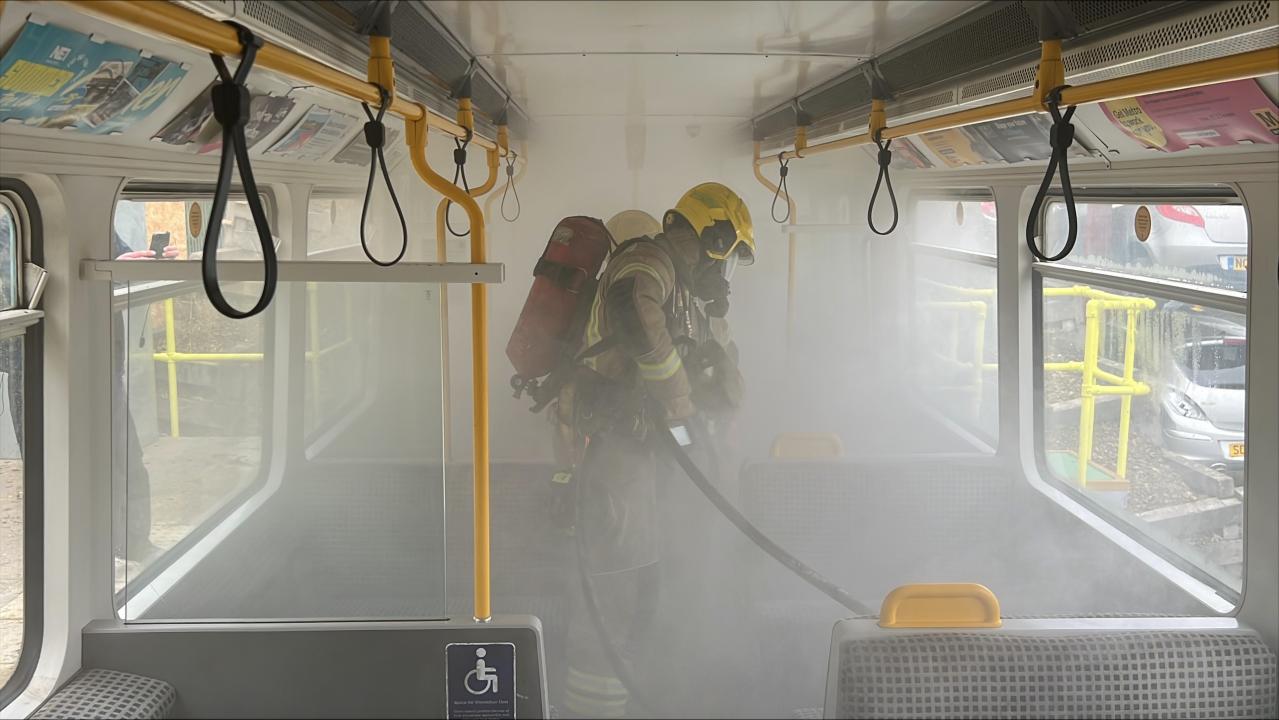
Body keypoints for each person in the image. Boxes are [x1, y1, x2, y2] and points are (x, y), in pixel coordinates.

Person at [557, 183, 752, 718]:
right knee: (617, 591)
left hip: (644, 459)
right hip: (619, 456)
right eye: (728, 257)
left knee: (649, 586)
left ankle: (640, 700)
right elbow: (632, 307)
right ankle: (591, 711)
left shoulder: (682, 291)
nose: (725, 274)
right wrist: (680, 401)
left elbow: (696, 370)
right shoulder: (648, 261)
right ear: (713, 239)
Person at [111, 228, 177, 566]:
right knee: (58, 467)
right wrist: (113, 269)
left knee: (127, 459)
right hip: (42, 363)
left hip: (103, 364)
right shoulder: (10, 227)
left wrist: (150, 262)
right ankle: (76, 553)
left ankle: (135, 544)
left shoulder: (101, 225)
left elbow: (123, 264)